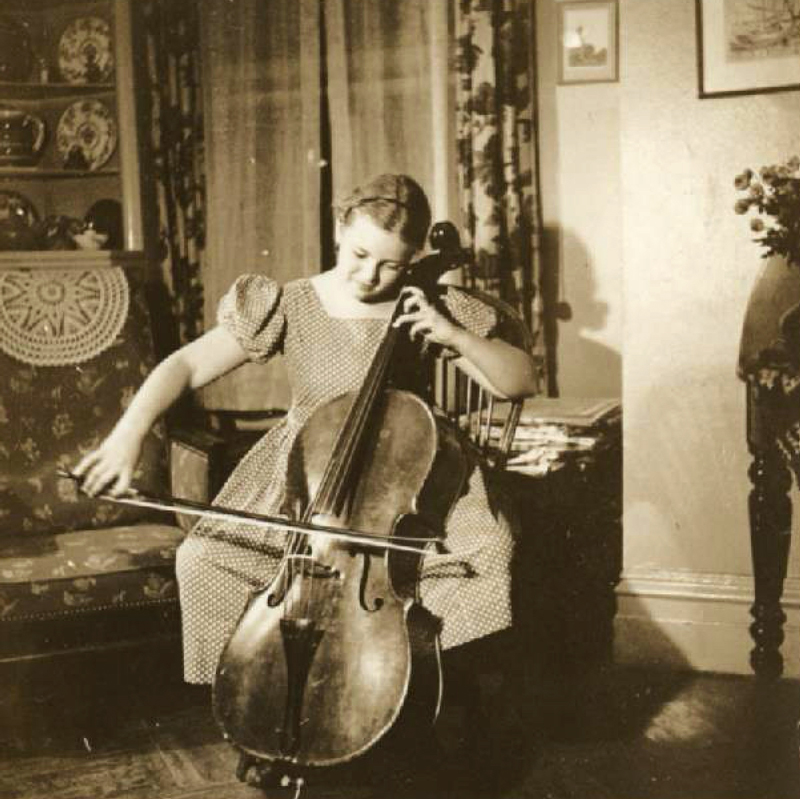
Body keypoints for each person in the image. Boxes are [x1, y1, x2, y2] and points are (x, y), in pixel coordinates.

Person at [73, 173, 538, 690]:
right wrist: (127, 436)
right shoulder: (291, 303)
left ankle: (414, 688)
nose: (370, 275)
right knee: (205, 559)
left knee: (487, 549)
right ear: (340, 227)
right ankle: (249, 698)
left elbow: (518, 382)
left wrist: (452, 334)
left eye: (393, 265)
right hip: (306, 477)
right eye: (360, 254)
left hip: (406, 471)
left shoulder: (423, 305)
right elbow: (184, 366)